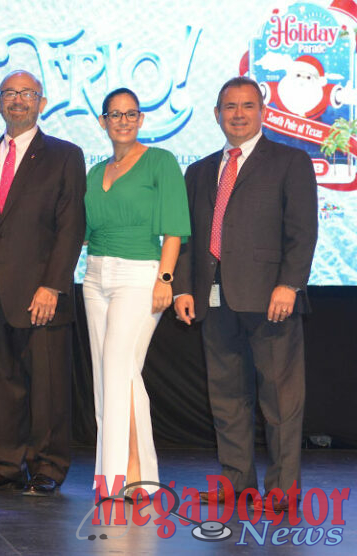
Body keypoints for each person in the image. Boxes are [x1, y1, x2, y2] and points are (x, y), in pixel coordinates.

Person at [173, 77, 317, 514]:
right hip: (213, 298)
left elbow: (302, 230)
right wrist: (182, 288)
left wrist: (289, 284)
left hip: (271, 299)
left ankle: (282, 488)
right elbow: (189, 236)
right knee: (227, 398)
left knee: (280, 401)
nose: (238, 114)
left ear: (263, 112)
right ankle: (236, 481)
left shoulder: (290, 161)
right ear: (217, 115)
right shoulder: (198, 171)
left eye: (247, 106)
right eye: (229, 107)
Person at [0, 70, 85, 496]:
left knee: (47, 390)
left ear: (41, 102)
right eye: (9, 93)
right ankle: (6, 466)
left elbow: (71, 227)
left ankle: (48, 467)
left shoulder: (65, 155)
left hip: (41, 295)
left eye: (26, 93)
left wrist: (54, 285)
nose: (17, 100)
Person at [83, 88, 191, 499]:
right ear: (102, 122)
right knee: (109, 376)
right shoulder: (95, 173)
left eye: (131, 114)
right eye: (115, 114)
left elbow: (176, 228)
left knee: (118, 368)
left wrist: (165, 279)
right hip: (95, 276)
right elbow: (86, 231)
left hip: (140, 276)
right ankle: (134, 473)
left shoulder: (161, 162)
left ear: (141, 119)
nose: (123, 121)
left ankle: (117, 479)